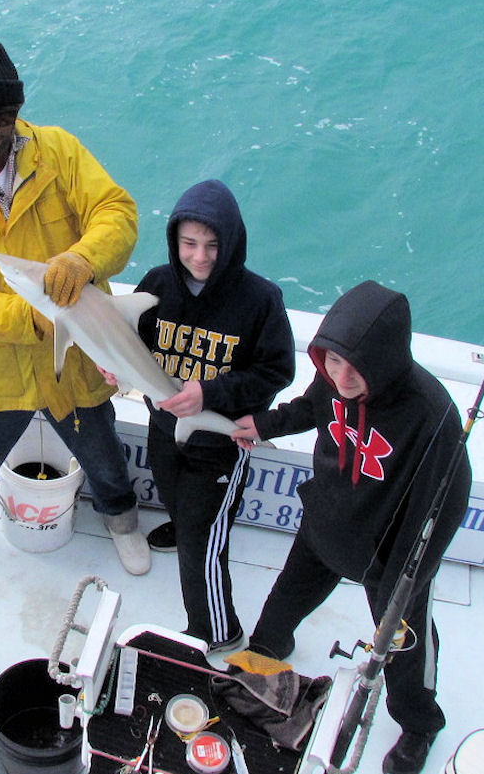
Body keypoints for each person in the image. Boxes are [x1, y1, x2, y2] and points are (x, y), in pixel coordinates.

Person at [0, 40, 150, 576]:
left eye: (2, 113)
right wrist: (34, 317)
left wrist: (83, 258)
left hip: (79, 357)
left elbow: (117, 211)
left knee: (105, 457)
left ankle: (121, 518)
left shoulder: (60, 152)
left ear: (17, 111)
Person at [232, 280, 472, 774]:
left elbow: (446, 507)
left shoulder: (432, 415)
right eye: (331, 362)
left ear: (382, 360)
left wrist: (408, 579)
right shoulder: (336, 371)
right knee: (282, 605)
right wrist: (263, 424)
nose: (339, 376)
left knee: (405, 648)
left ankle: (420, 724)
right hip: (326, 522)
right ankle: (268, 651)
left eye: (351, 366)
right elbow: (309, 408)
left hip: (389, 557)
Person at [102, 179, 295, 650]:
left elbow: (278, 370)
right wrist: (116, 364)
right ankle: (185, 524)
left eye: (213, 245)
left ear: (231, 243)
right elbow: (135, 339)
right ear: (174, 240)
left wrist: (208, 393)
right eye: (189, 243)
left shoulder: (260, 300)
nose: (201, 257)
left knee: (201, 544)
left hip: (221, 444)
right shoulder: (157, 284)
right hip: (165, 426)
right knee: (173, 497)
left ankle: (217, 631)